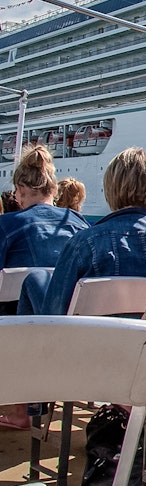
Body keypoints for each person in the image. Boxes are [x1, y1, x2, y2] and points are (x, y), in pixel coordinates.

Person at [18, 146, 146, 317]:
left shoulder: (83, 244)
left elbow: (54, 314)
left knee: (36, 279)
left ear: (109, 189)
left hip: (88, 342)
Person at [0, 146, 89, 430]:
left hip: (17, 337)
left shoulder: (7, 225)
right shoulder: (79, 224)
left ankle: (17, 408)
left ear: (22, 188)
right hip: (77, 336)